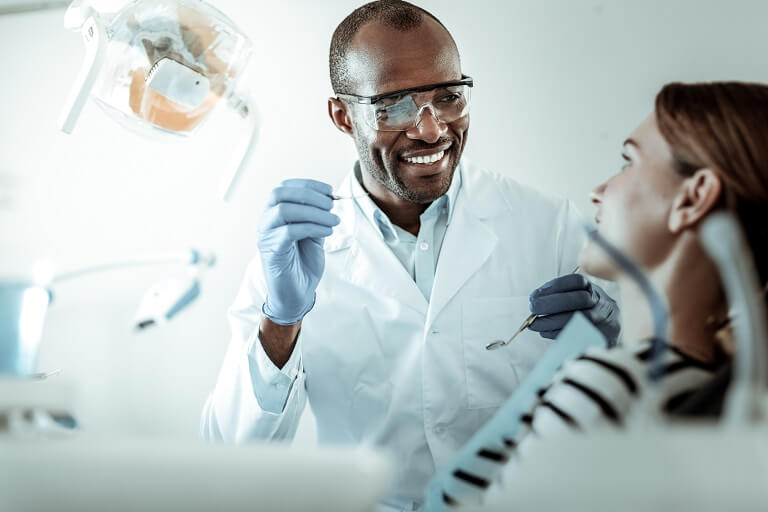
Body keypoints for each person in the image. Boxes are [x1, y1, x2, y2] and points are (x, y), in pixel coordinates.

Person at [200, 1, 619, 508]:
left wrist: (607, 341)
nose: (430, 129)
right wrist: (281, 321)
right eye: (393, 104)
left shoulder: (548, 226)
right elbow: (233, 454)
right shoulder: (295, 253)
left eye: (447, 97)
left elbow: (618, 414)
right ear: (341, 115)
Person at [430, 81, 768, 509]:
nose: (599, 190)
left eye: (628, 162)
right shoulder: (714, 380)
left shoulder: (608, 386)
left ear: (693, 198)